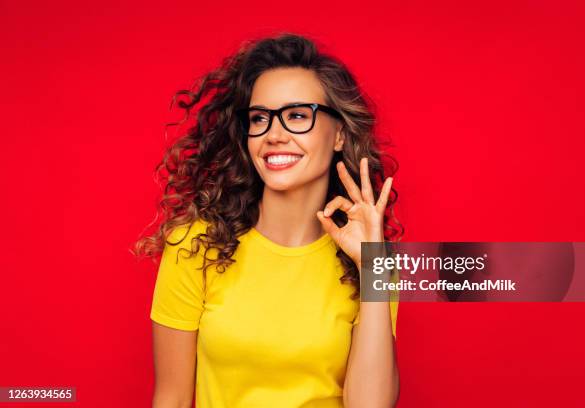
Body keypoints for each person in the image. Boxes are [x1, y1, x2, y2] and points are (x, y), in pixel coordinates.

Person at [133, 32, 404, 408]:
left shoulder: (378, 263)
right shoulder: (195, 245)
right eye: (260, 118)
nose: (274, 135)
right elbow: (172, 399)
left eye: (296, 116)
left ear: (339, 134)